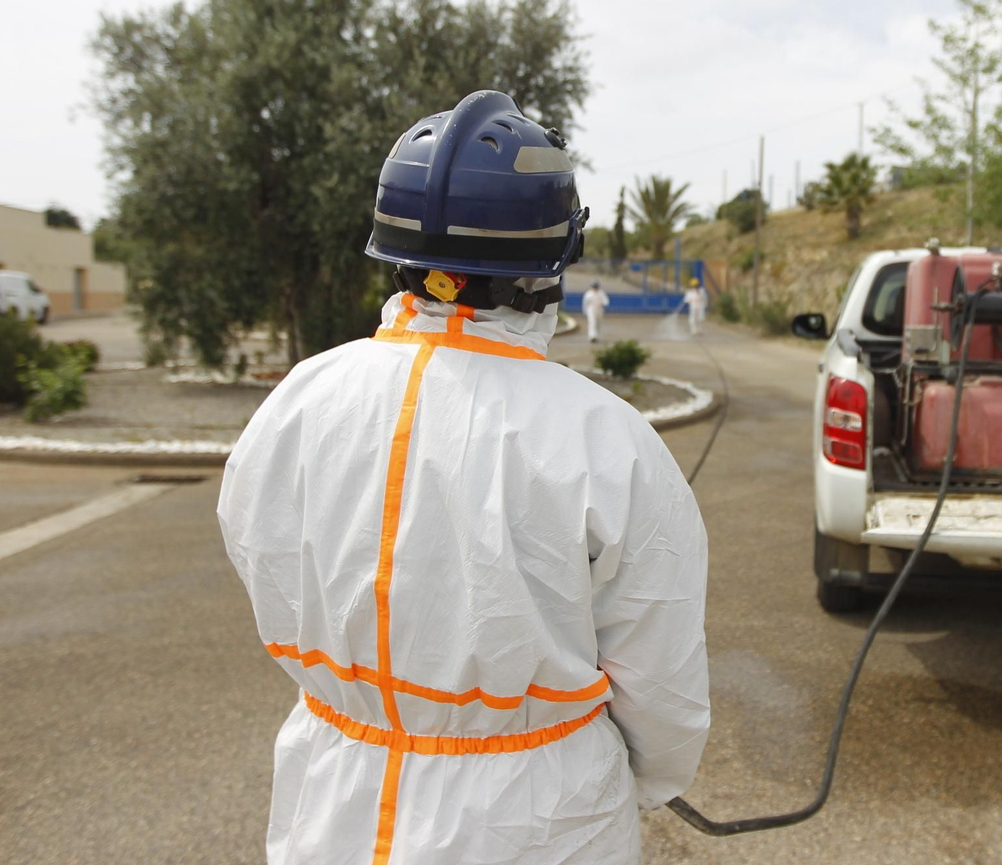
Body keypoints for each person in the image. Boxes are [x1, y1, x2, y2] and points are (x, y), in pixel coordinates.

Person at [218, 91, 709, 865]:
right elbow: (662, 670)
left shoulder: (297, 401)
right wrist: (643, 776)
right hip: (536, 821)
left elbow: (264, 562)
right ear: (550, 264)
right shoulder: (608, 439)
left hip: (334, 802)